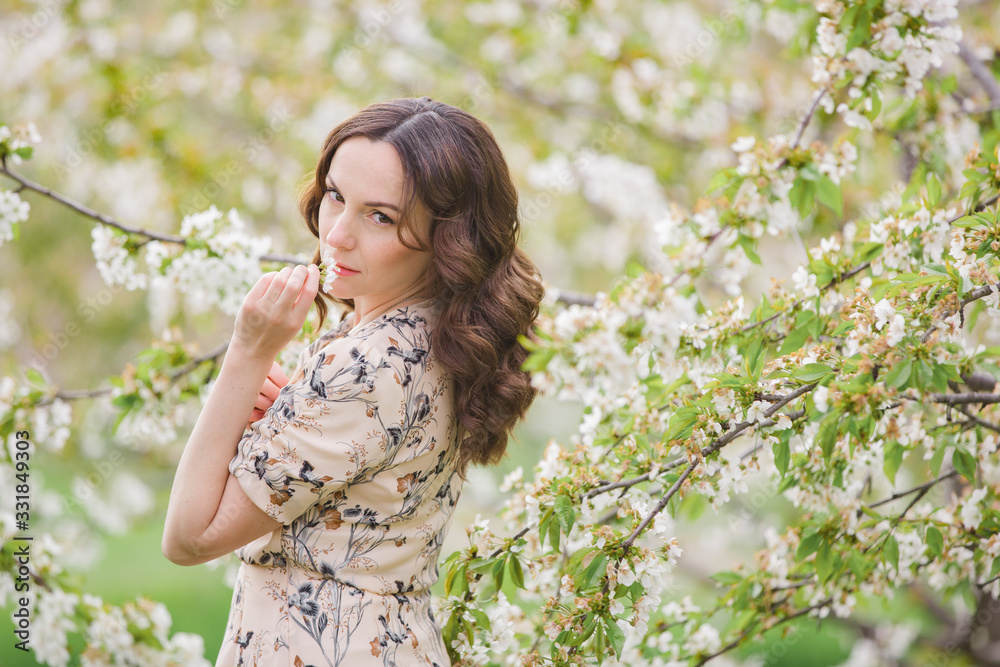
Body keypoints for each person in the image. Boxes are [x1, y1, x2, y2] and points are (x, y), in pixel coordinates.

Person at [161, 97, 544, 666]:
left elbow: (187, 539)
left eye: (380, 217)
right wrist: (292, 417)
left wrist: (247, 352)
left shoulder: (365, 366)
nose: (336, 235)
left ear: (448, 237)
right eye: (336, 196)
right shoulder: (443, 332)